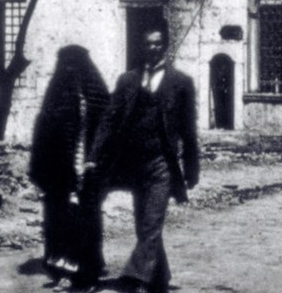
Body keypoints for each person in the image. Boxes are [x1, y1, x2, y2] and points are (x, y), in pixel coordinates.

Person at [89, 24, 199, 293]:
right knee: (143, 225)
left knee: (151, 222)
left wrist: (191, 168)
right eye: (148, 43)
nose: (152, 48)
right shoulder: (127, 81)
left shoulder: (181, 83)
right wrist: (94, 155)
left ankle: (134, 280)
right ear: (142, 46)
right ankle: (159, 277)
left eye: (157, 43)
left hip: (162, 164)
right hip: (134, 164)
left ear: (165, 46)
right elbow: (109, 120)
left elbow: (188, 129)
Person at [28, 45, 110, 288]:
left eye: (76, 64)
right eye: (67, 64)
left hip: (88, 169)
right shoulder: (56, 95)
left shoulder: (97, 96)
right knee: (58, 220)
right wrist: (42, 172)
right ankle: (61, 271)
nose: (71, 69)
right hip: (60, 172)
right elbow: (42, 135)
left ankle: (87, 274)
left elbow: (108, 131)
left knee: (87, 220)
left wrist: (97, 164)